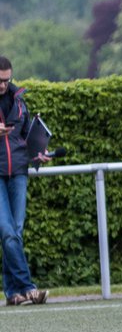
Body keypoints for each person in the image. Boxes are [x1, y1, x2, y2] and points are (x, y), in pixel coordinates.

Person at [0, 57, 50, 306]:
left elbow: (26, 136)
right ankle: (28, 288)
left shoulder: (19, 100)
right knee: (8, 232)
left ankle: (11, 292)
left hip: (18, 171)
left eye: (6, 80)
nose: (3, 85)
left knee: (15, 233)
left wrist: (38, 153)